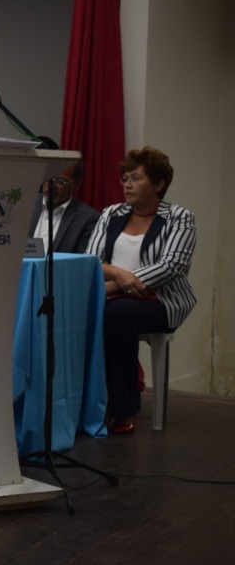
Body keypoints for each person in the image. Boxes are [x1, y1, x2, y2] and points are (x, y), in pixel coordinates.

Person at [86, 146, 196, 434]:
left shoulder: (180, 217)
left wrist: (120, 283)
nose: (127, 184)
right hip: (110, 294)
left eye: (136, 178)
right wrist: (117, 276)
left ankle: (124, 407)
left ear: (158, 184)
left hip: (160, 299)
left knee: (117, 314)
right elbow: (91, 260)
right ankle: (84, 403)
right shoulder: (111, 213)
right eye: (125, 178)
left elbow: (172, 266)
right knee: (71, 312)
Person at [29, 160, 99, 255]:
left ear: (77, 184)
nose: (50, 186)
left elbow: (80, 261)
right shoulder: (25, 205)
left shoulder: (88, 219)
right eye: (47, 177)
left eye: (60, 181)